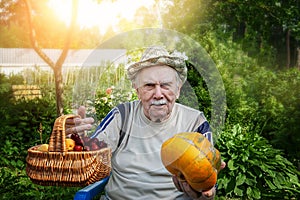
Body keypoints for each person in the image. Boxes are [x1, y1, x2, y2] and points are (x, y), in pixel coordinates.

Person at [69, 46, 225, 200]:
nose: (158, 94)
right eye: (149, 86)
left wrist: (203, 195)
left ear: (178, 89)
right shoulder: (121, 116)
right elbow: (91, 158)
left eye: (165, 85)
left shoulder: (195, 122)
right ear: (137, 91)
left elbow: (208, 187)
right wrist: (77, 140)